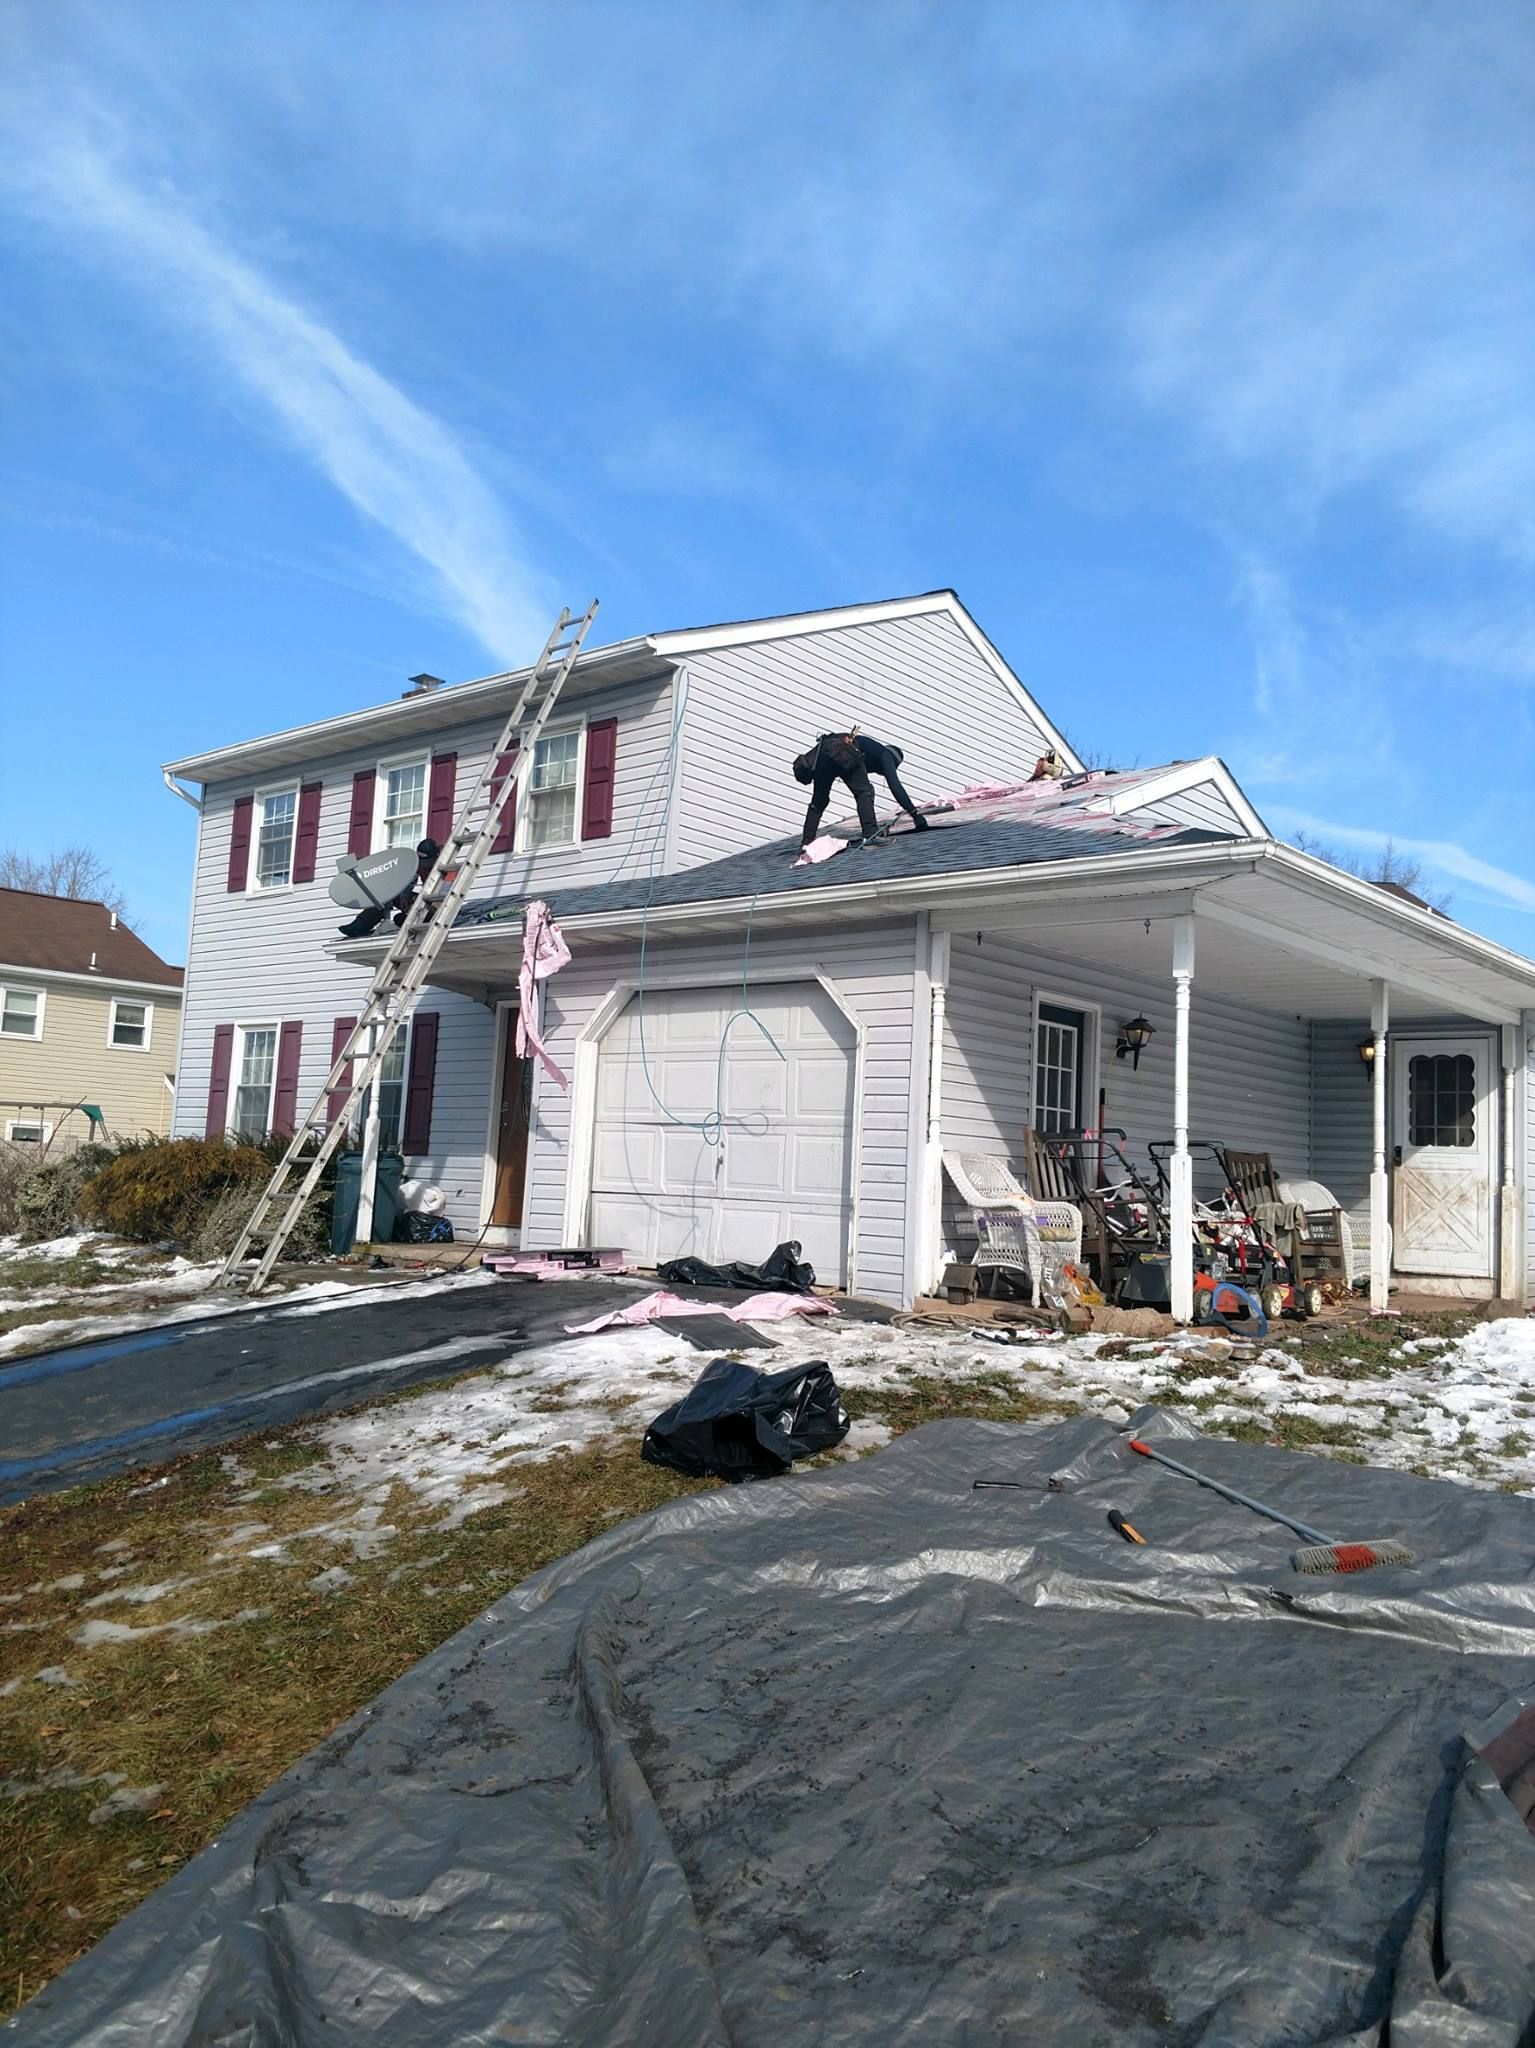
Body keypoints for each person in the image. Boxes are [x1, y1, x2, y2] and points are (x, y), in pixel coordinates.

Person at [793, 732, 931, 850]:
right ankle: (871, 835)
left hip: (824, 752)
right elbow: (895, 786)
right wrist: (916, 815)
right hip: (843, 751)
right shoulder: (885, 754)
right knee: (865, 792)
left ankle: (806, 843)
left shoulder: (869, 750)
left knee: (819, 800)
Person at [337, 837, 442, 940]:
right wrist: (404, 897)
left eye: (426, 861)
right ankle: (361, 923)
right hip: (425, 902)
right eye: (421, 860)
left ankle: (411, 918)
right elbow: (410, 881)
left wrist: (420, 903)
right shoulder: (421, 865)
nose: (423, 864)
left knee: (401, 916)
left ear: (435, 857)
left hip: (437, 906)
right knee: (390, 895)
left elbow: (444, 894)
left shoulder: (445, 866)